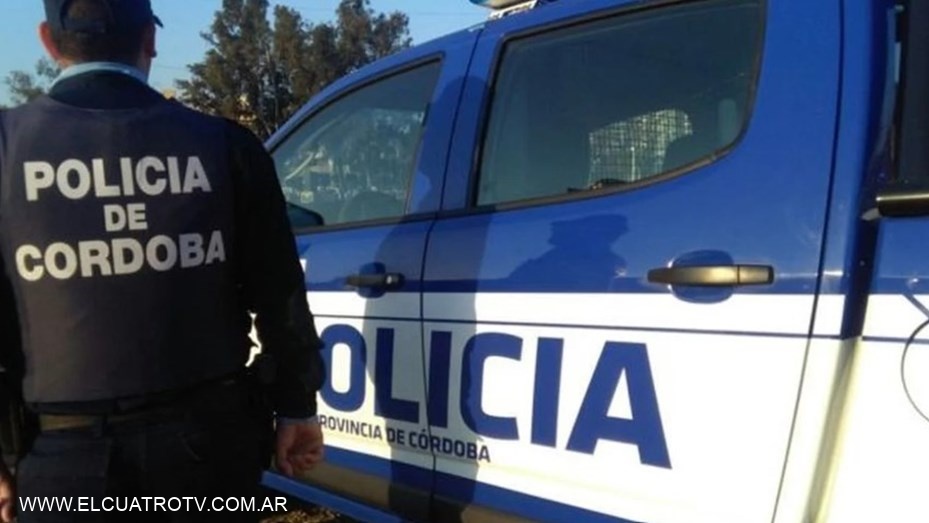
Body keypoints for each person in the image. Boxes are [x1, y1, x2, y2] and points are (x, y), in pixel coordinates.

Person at [0, 0, 326, 521]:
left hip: (63, 463)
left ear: (46, 39)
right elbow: (280, 294)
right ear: (150, 40)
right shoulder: (226, 145)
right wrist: (296, 406)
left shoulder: (7, 147)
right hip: (210, 453)